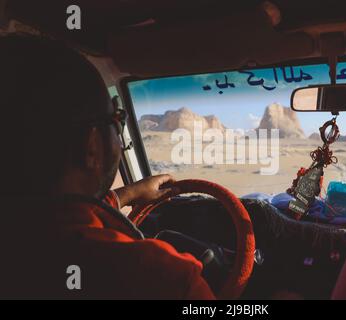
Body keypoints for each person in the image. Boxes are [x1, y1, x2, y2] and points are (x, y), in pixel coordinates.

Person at [0, 34, 214, 299]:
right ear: (92, 145)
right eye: (118, 119)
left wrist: (128, 194)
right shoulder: (159, 277)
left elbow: (50, 216)